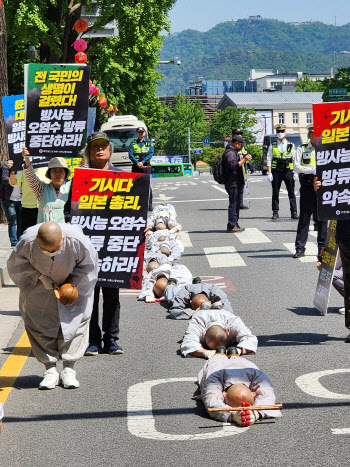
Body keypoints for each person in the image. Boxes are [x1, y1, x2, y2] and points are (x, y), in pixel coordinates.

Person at [7, 221, 98, 389]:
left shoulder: (77, 240)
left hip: (72, 287)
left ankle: (69, 369)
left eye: (55, 250)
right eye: (45, 251)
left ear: (63, 238)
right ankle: (50, 369)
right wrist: (41, 279)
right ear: (36, 239)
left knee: (75, 325)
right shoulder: (27, 241)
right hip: (39, 288)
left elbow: (89, 267)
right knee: (40, 326)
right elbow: (16, 266)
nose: (50, 253)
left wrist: (72, 283)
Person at [64, 131, 128, 356]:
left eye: (103, 146)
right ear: (89, 152)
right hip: (88, 248)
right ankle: (92, 340)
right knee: (89, 294)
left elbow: (137, 208)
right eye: (95, 147)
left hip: (114, 247)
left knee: (112, 294)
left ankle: (111, 339)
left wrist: (143, 226)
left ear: (110, 150)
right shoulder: (80, 178)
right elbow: (68, 211)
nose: (100, 150)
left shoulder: (123, 177)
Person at [197, 353, 282, 426]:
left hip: (242, 363)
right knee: (218, 355)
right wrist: (233, 414)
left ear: (224, 394)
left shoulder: (257, 375)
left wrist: (256, 413)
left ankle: (233, 353)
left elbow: (268, 394)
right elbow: (211, 400)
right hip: (217, 363)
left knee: (233, 353)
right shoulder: (213, 377)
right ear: (223, 394)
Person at [314, 178, 350, 342]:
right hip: (344, 234)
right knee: (349, 282)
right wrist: (321, 190)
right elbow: (328, 207)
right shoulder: (338, 170)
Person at [292, 125, 327, 258]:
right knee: (305, 217)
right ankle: (300, 248)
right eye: (312, 133)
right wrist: (312, 169)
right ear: (309, 135)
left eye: (317, 133)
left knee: (322, 218)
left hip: (322, 186)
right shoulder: (302, 148)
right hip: (307, 185)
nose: (314, 136)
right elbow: (296, 167)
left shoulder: (324, 148)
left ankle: (322, 248)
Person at [180, 307, 257, 358]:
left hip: (224, 311)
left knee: (225, 305)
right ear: (204, 334)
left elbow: (249, 338)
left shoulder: (233, 322)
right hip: (202, 312)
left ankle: (216, 305)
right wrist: (205, 353)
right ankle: (205, 306)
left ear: (227, 333)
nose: (219, 350)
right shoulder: (197, 322)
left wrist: (238, 350)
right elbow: (188, 343)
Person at [21, 147, 71, 223]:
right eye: (54, 171)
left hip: (64, 232)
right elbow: (30, 176)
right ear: (49, 174)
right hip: (45, 232)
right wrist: (26, 158)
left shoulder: (71, 188)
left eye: (61, 171)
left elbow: (82, 176)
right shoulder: (41, 189)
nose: (57, 174)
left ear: (65, 173)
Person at [267, 124, 298, 220]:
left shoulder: (291, 145)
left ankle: (294, 212)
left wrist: (295, 172)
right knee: (275, 192)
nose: (280, 133)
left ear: (285, 132)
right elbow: (269, 159)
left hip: (288, 171)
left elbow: (294, 159)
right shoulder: (273, 145)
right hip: (276, 171)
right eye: (278, 131)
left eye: (282, 131)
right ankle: (275, 212)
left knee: (291, 192)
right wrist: (269, 173)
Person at [9, 162, 49, 233]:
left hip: (45, 208)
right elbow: (14, 183)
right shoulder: (24, 166)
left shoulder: (47, 165)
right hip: (28, 208)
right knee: (28, 236)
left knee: (45, 236)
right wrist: (12, 172)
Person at [224, 135, 252, 233]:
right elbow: (233, 166)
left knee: (236, 204)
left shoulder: (233, 152)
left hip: (235, 182)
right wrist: (244, 160)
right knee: (234, 204)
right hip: (232, 182)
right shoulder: (230, 153)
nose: (240, 147)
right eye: (240, 145)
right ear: (236, 143)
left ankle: (234, 223)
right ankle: (231, 225)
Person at [167, 282, 234, 320]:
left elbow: (228, 310)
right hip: (187, 288)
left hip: (207, 287)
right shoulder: (183, 294)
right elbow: (174, 311)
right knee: (170, 299)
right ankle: (171, 284)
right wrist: (196, 312)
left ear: (210, 302)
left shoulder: (216, 292)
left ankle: (197, 282)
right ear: (190, 302)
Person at [128, 126, 154, 210]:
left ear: (145, 133)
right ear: (136, 133)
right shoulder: (133, 143)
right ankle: (136, 205)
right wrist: (137, 163)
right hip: (136, 167)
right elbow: (130, 155)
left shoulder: (149, 143)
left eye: (142, 132)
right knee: (135, 186)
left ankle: (149, 205)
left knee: (147, 186)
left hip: (146, 167)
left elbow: (151, 153)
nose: (141, 134)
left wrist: (142, 162)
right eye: (139, 132)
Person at [0, 159, 22, 246]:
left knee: (20, 220)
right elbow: (4, 179)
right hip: (8, 198)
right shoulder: (7, 164)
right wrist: (13, 176)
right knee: (13, 220)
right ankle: (14, 243)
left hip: (21, 198)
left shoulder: (25, 164)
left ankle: (20, 241)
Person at [231, 128, 250, 210]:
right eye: (237, 133)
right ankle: (235, 202)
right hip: (235, 167)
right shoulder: (231, 145)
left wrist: (249, 162)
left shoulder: (243, 144)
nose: (239, 135)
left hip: (242, 166)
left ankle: (240, 203)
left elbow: (245, 153)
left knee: (242, 184)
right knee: (235, 186)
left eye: (240, 134)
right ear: (233, 135)